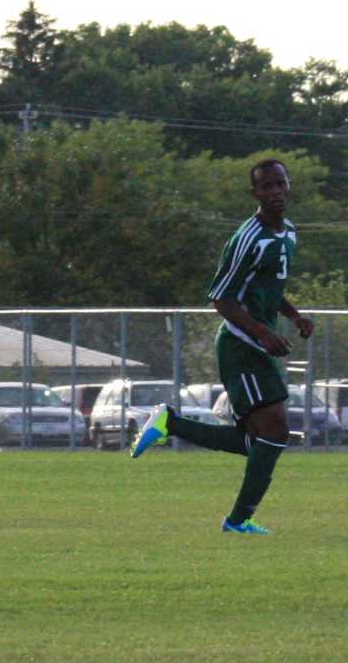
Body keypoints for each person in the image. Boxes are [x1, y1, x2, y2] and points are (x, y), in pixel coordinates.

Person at [127, 157, 313, 534]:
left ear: (289, 187)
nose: (276, 191)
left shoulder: (288, 232)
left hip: (259, 345)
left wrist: (293, 315)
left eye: (281, 184)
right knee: (274, 432)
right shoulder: (247, 238)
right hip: (240, 345)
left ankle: (172, 424)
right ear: (255, 193)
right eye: (267, 186)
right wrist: (262, 332)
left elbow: (268, 288)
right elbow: (222, 299)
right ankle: (237, 521)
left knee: (259, 440)